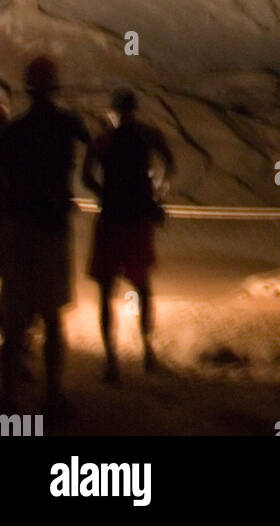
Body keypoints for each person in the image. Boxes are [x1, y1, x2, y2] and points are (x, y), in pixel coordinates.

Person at [0, 56, 89, 413]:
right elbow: (88, 141)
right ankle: (52, 394)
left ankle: (8, 397)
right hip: (49, 230)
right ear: (54, 87)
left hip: (18, 228)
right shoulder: (67, 124)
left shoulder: (13, 132)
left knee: (16, 320)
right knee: (52, 317)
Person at [83, 88, 174, 381]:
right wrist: (156, 195)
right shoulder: (148, 135)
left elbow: (86, 175)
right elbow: (168, 163)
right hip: (137, 220)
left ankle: (111, 362)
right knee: (142, 286)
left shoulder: (104, 140)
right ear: (134, 109)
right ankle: (148, 351)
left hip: (111, 219)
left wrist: (105, 194)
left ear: (113, 111)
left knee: (106, 292)